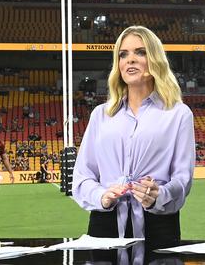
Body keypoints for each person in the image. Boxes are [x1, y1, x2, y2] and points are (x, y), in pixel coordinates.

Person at [72, 25, 195, 247]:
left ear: (155, 59)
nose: (130, 59)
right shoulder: (101, 115)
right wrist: (103, 196)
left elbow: (182, 179)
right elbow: (82, 176)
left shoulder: (178, 114)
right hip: (104, 223)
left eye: (140, 52)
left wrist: (159, 194)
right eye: (123, 54)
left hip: (158, 224)